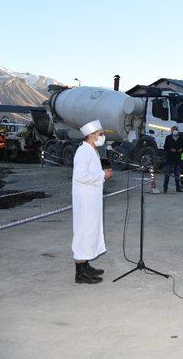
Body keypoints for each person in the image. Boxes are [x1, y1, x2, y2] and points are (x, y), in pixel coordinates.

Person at [72, 120, 113, 284]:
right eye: (100, 134)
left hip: (92, 199)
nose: (103, 137)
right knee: (83, 233)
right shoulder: (83, 152)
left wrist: (102, 173)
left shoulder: (91, 150)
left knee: (90, 232)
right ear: (91, 135)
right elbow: (80, 175)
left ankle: (85, 265)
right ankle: (80, 274)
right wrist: (102, 176)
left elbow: (91, 172)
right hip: (85, 201)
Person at [163, 126, 183, 193]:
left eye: (176, 129)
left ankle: (177, 188)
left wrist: (182, 149)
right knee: (167, 173)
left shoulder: (181, 138)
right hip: (169, 158)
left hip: (177, 158)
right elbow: (165, 147)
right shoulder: (168, 138)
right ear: (171, 131)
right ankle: (165, 188)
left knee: (177, 174)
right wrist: (170, 149)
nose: (175, 131)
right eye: (174, 129)